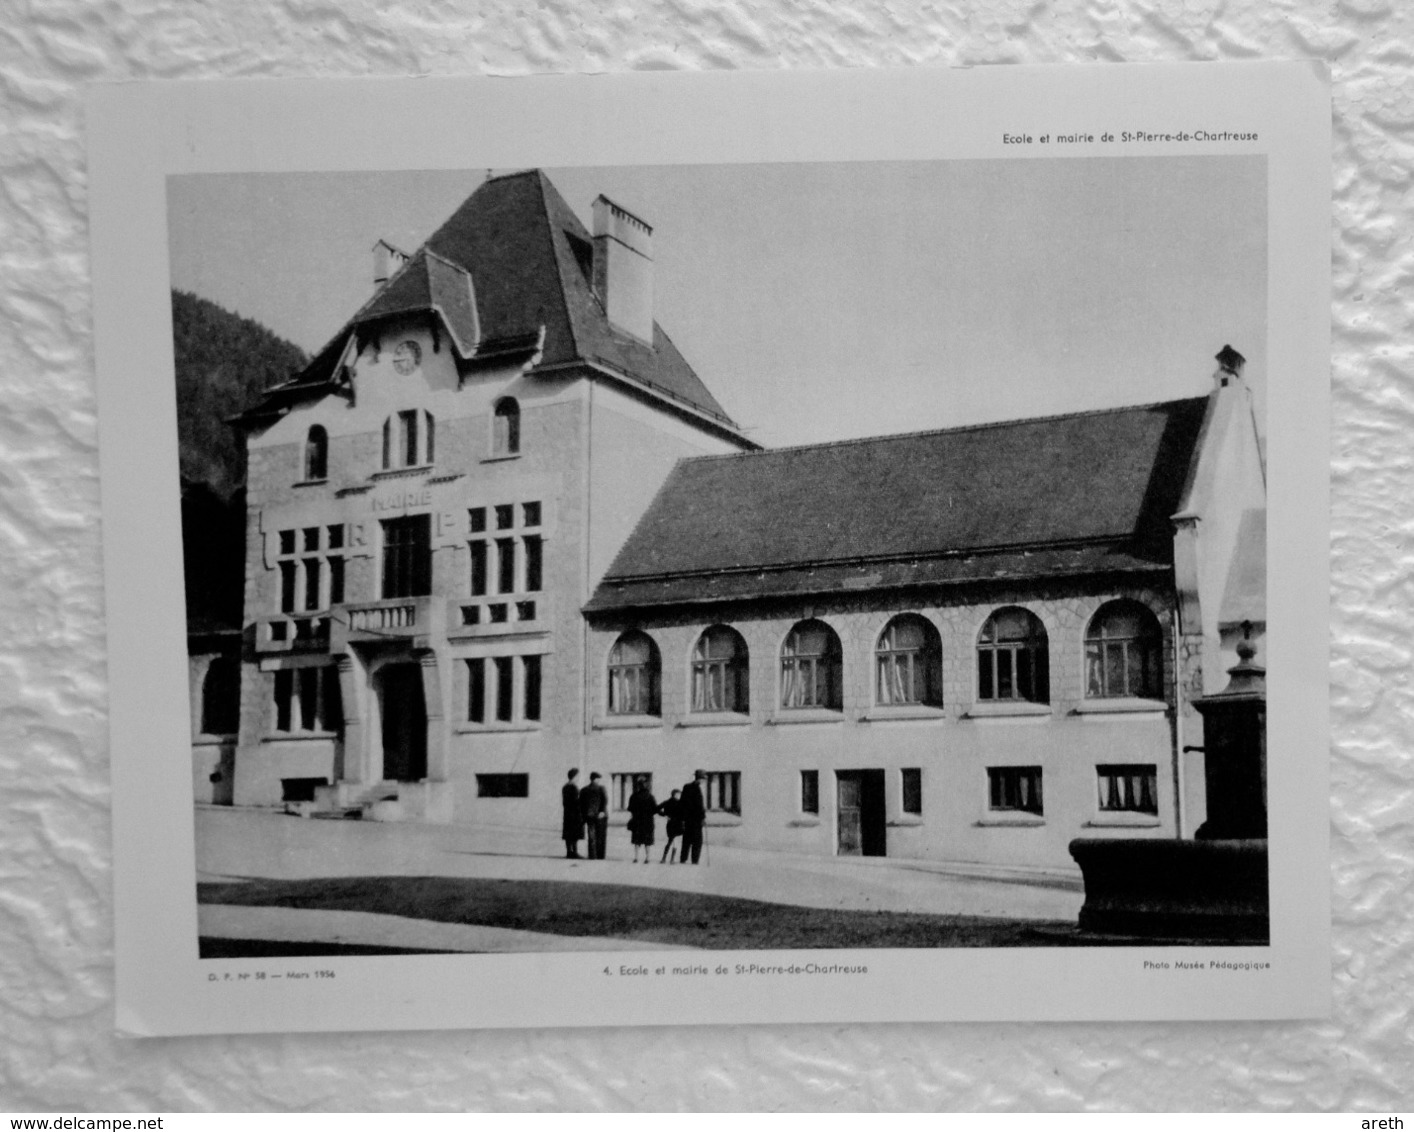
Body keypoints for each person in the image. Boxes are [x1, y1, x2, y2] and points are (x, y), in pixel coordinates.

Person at [626, 776, 658, 864]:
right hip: (648, 821)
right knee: (647, 841)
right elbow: (655, 809)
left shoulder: (633, 796)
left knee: (637, 840)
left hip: (637, 821)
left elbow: (630, 809)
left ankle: (636, 857)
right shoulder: (650, 796)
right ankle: (647, 858)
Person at [678, 769, 707, 865]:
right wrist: (703, 817)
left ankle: (683, 858)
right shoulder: (697, 789)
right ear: (700, 779)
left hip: (687, 819)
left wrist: (682, 817)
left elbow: (681, 803)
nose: (703, 781)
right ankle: (695, 860)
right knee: (697, 840)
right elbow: (699, 805)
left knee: (686, 839)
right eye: (703, 779)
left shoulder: (686, 787)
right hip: (696, 819)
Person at [580, 771, 609, 860]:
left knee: (591, 836)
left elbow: (581, 804)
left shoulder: (584, 789)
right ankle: (600, 855)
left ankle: (592, 855)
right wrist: (602, 811)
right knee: (601, 836)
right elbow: (605, 801)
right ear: (596, 779)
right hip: (600, 816)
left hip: (589, 815)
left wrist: (584, 815)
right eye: (598, 779)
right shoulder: (601, 788)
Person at [561, 768, 583, 859]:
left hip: (567, 813)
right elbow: (576, 801)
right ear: (574, 776)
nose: (578, 778)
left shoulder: (565, 786)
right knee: (574, 833)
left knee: (568, 833)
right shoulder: (574, 787)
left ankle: (568, 852)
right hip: (574, 813)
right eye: (578, 776)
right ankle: (574, 852)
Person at [657, 788, 683, 863]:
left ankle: (664, 858)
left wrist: (664, 815)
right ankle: (670, 859)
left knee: (671, 840)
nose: (679, 796)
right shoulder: (680, 803)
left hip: (670, 823)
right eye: (678, 794)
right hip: (678, 823)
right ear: (675, 794)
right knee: (674, 841)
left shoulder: (667, 802)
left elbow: (657, 809)